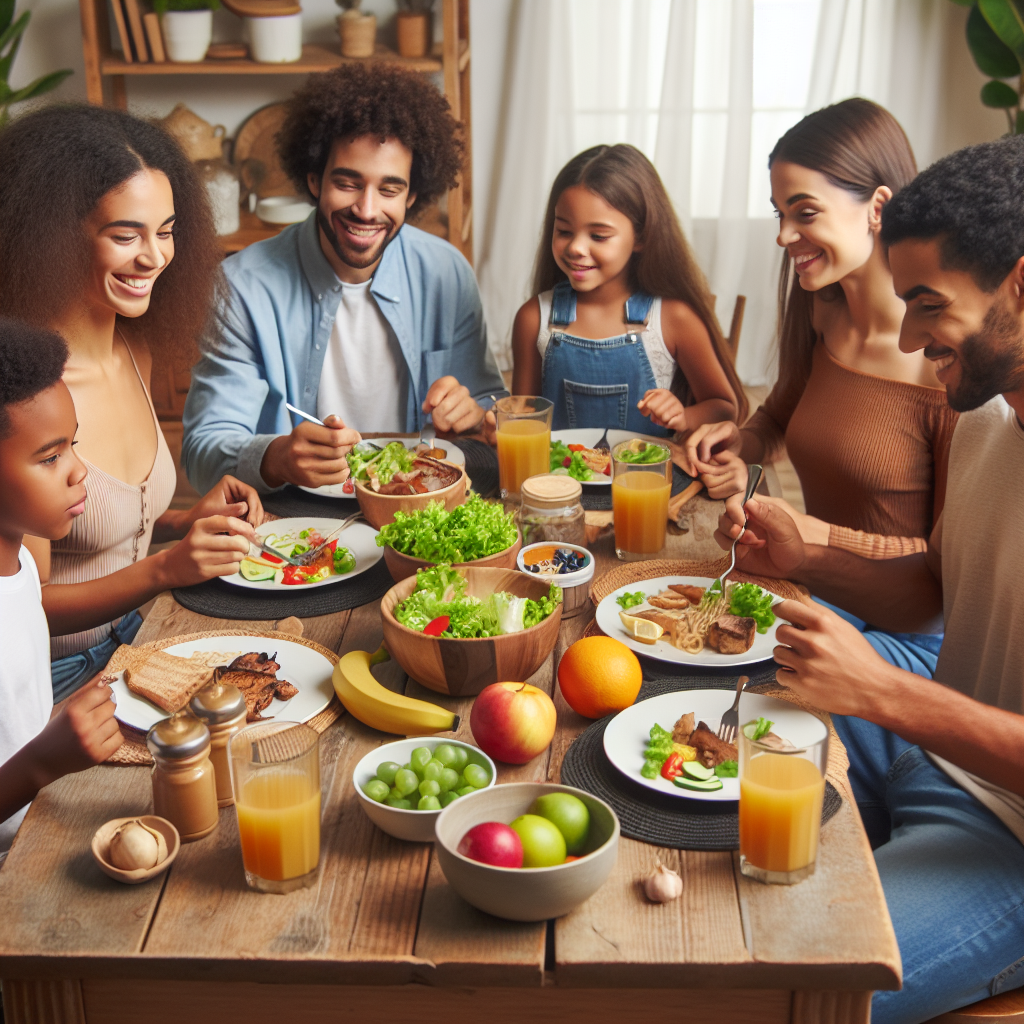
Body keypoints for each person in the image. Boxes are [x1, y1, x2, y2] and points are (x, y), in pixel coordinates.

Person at [716, 135, 1024, 1024]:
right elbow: (939, 582)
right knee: (703, 679)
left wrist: (882, 693)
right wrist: (807, 560)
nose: (911, 334)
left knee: (775, 988)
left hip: (1006, 833)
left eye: (928, 304)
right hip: (932, 741)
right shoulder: (988, 416)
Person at [683, 99, 958, 677]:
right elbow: (778, 420)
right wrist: (741, 441)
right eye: (780, 212)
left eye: (804, 212)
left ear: (878, 206)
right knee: (676, 636)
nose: (784, 235)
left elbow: (947, 570)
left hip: (905, 638)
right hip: (818, 591)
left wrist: (811, 534)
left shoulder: (942, 367)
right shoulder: (823, 309)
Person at [0, 105, 259, 700]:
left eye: (165, 231)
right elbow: (26, 603)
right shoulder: (29, 394)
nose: (154, 258)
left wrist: (182, 526)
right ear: (55, 236)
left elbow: (96, 536)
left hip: (140, 642)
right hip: (56, 682)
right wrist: (166, 568)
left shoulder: (134, 350)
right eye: (126, 235)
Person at [182, 63, 508, 495]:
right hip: (293, 518)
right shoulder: (240, 287)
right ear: (314, 180)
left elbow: (493, 415)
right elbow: (202, 452)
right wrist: (276, 457)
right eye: (348, 183)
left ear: (412, 196)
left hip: (420, 506)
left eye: (389, 190)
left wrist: (475, 414)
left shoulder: (447, 273)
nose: (367, 210)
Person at [507, 144, 744, 436]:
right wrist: (503, 422)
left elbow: (724, 406)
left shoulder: (673, 319)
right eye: (564, 231)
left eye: (598, 235)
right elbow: (524, 415)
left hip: (644, 482)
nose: (576, 248)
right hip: (555, 482)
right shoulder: (534, 318)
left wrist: (684, 415)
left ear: (642, 236)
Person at [0, 319, 125, 862]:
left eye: (72, 447)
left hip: (46, 817)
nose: (81, 473)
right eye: (51, 459)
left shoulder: (23, 562)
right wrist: (40, 763)